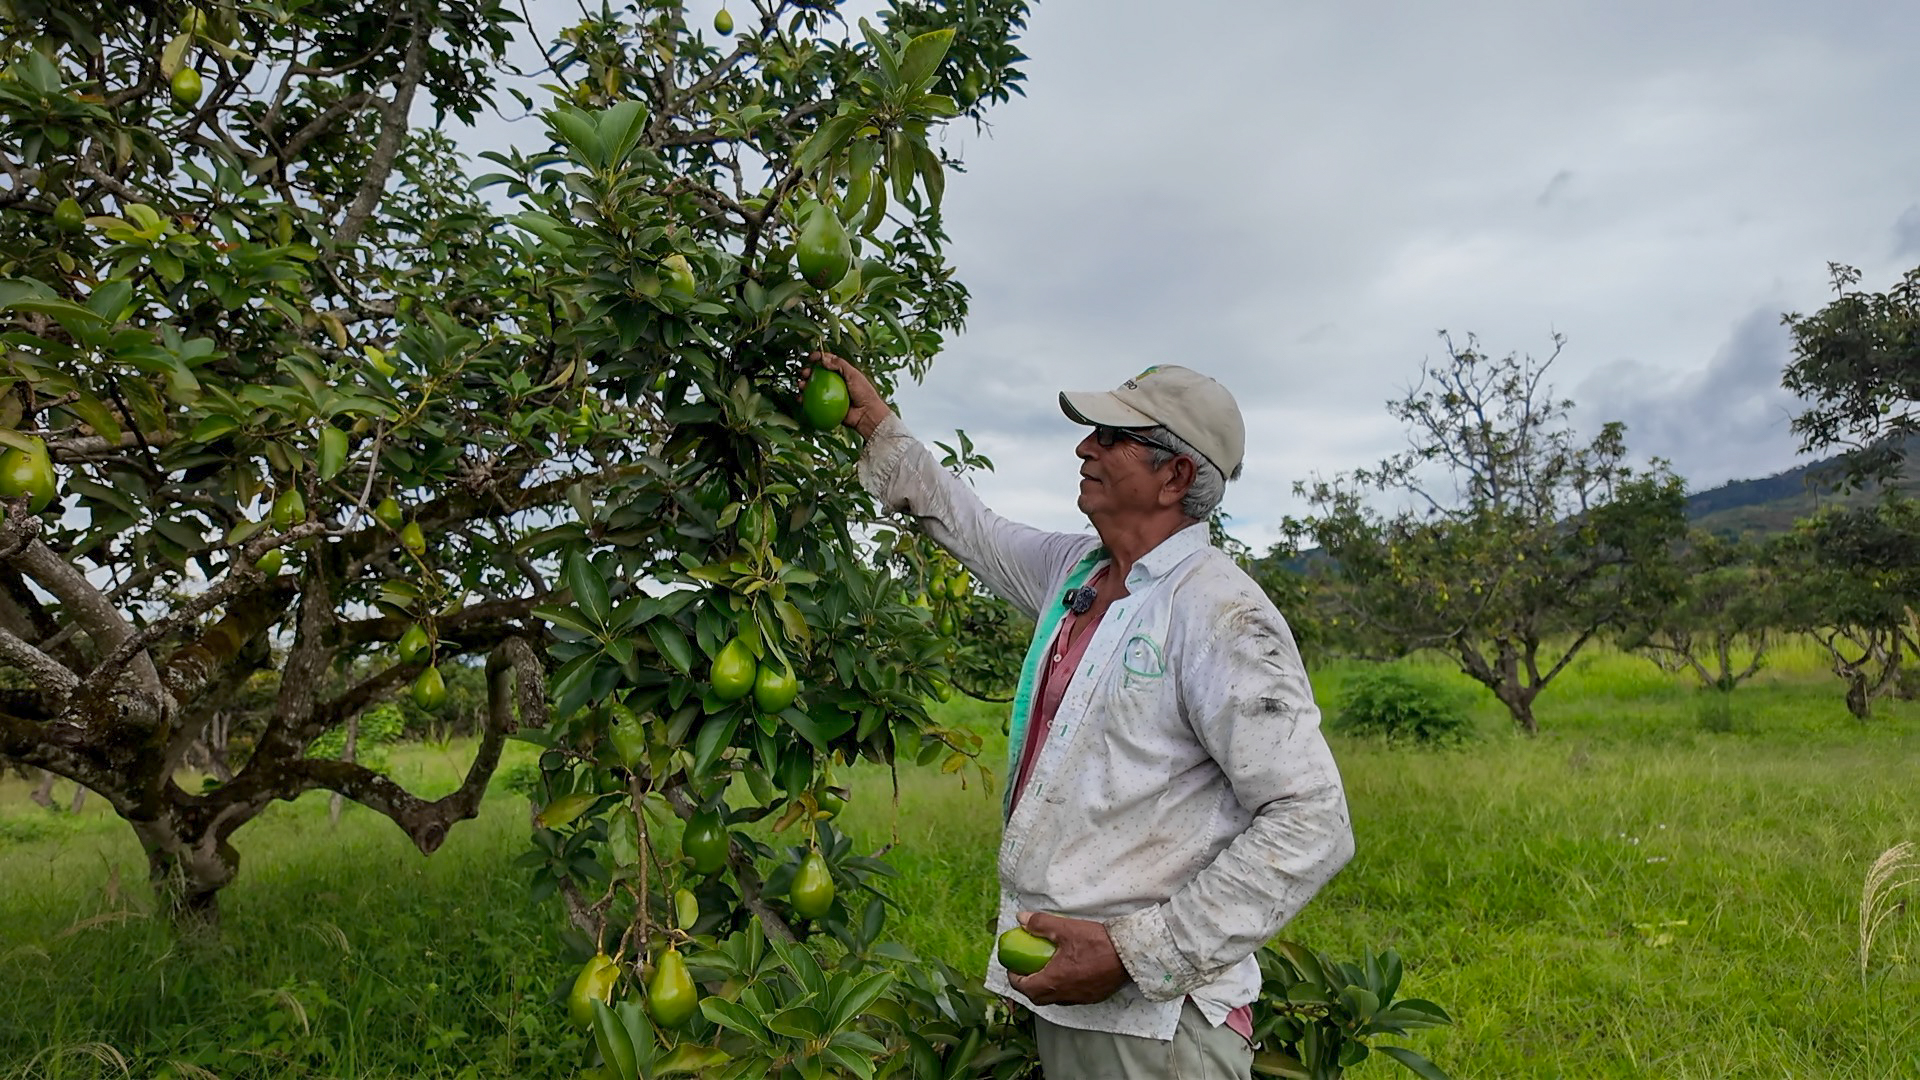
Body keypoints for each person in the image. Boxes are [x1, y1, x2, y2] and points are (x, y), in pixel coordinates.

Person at [810, 353, 1354, 1079]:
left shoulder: (1221, 614)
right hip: (1074, 996)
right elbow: (974, 528)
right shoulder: (1079, 574)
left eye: (1111, 436)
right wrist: (878, 426)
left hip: (1161, 1026)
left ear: (1176, 476)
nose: (1084, 447)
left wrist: (1138, 954)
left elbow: (1312, 819)